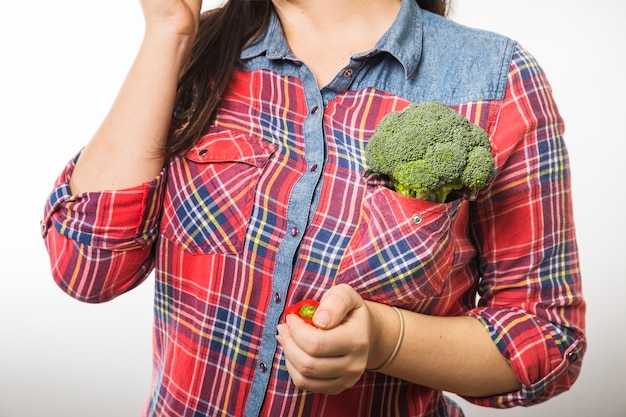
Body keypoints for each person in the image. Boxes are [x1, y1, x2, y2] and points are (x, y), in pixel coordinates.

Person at [41, 0, 586, 415]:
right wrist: (167, 33)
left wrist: (383, 338)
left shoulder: (494, 80)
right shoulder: (195, 53)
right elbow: (86, 268)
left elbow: (546, 339)